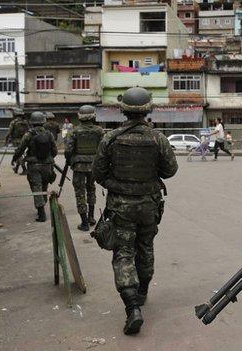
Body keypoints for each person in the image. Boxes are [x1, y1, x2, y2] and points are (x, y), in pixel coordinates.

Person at [92, 87, 178, 335]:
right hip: (149, 206)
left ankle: (132, 308)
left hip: (120, 207)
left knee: (123, 253)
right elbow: (170, 171)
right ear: (148, 110)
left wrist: (116, 186)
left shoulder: (110, 138)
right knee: (145, 248)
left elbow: (98, 173)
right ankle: (142, 293)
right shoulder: (157, 138)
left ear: (123, 111)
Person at [65, 105, 105, 231]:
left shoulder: (74, 131)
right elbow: (104, 150)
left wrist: (71, 162)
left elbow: (68, 150)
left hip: (79, 166)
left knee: (80, 193)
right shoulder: (99, 131)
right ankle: (91, 217)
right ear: (93, 116)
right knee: (91, 189)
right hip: (94, 166)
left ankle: (84, 223)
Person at [12, 112, 57, 222]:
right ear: (43, 121)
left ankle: (41, 213)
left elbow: (21, 148)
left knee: (36, 187)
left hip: (34, 165)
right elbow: (54, 151)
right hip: (47, 166)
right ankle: (41, 206)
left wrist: (14, 158)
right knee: (44, 186)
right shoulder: (49, 134)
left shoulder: (29, 135)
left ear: (32, 122)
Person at [5, 107, 30, 175]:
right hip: (24, 140)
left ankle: (24, 169)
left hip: (16, 141)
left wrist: (6, 140)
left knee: (19, 155)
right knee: (20, 154)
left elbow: (9, 132)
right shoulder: (25, 122)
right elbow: (29, 131)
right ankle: (16, 168)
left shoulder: (13, 122)